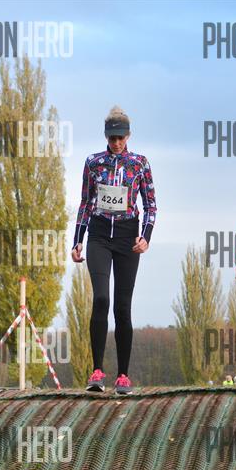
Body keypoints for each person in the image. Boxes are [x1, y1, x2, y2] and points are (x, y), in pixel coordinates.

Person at [72, 106, 156, 395]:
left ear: (128, 136)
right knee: (101, 299)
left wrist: (145, 237)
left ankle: (123, 375)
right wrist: (77, 239)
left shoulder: (140, 164)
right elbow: (85, 202)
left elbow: (151, 205)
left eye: (120, 138)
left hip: (126, 238)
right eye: (112, 138)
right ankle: (97, 371)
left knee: (122, 306)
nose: (116, 143)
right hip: (98, 235)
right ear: (106, 136)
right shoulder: (93, 163)